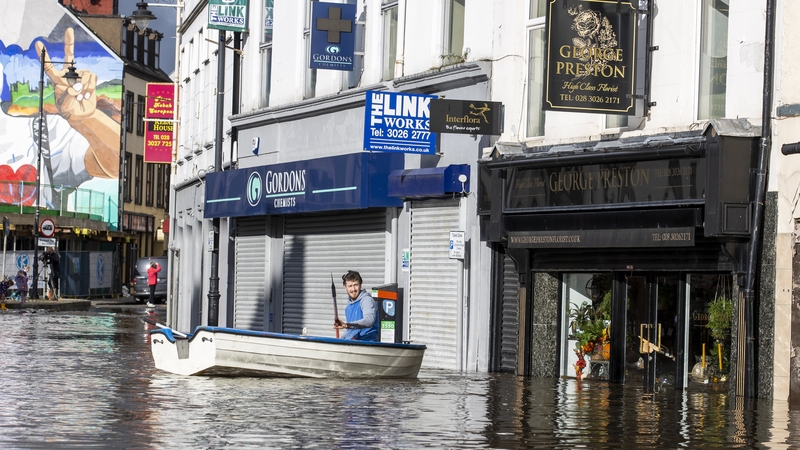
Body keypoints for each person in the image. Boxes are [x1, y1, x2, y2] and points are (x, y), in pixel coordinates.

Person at [334, 270, 379, 342]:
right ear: (345, 287)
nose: (353, 289)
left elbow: (369, 320)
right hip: (351, 343)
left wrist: (347, 325)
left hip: (366, 343)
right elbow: (348, 331)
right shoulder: (348, 307)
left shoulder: (367, 300)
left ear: (360, 285)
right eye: (350, 286)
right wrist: (337, 342)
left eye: (356, 285)